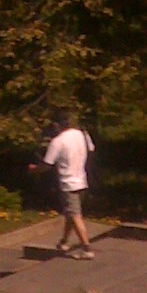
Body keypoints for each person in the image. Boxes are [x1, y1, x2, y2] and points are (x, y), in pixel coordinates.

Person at [30, 110, 96, 259]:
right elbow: (91, 148)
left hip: (68, 183)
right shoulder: (81, 134)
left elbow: (47, 164)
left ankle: (86, 249)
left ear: (56, 125)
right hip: (82, 180)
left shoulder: (58, 141)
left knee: (75, 215)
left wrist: (34, 169)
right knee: (70, 214)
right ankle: (64, 242)